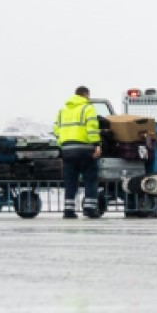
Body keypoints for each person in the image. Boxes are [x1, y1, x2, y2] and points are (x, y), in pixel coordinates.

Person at [54, 86, 101, 218]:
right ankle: (90, 209)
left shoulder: (62, 111)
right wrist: (97, 144)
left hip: (67, 150)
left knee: (70, 181)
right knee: (90, 179)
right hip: (85, 149)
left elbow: (56, 130)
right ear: (86, 95)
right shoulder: (88, 108)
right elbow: (92, 128)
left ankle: (68, 211)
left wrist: (62, 145)